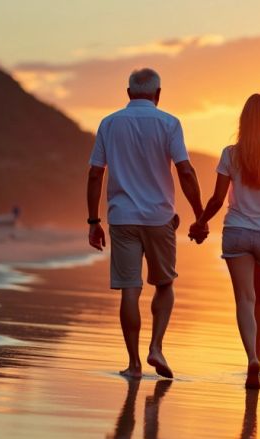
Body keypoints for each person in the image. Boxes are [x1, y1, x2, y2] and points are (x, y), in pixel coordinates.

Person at [87, 68, 204, 379]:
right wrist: (199, 215)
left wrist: (93, 221)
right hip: (159, 218)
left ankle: (134, 364)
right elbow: (186, 172)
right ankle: (156, 347)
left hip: (122, 218)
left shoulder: (109, 123)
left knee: (130, 290)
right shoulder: (169, 123)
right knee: (164, 284)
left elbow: (96, 174)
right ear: (159, 94)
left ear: (128, 94)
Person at [190, 93, 260, 389]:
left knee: (244, 300)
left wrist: (200, 222)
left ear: (243, 121)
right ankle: (258, 363)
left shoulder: (230, 154)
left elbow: (216, 198)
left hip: (236, 231)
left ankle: (251, 358)